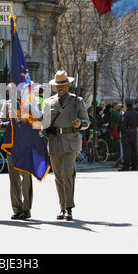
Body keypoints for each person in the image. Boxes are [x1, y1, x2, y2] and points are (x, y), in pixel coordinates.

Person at [43, 70, 89, 221]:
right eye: (58, 85)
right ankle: (62, 207)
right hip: (55, 142)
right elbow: (44, 123)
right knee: (58, 177)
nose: (60, 87)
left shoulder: (77, 101)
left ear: (68, 85)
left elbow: (86, 122)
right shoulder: (48, 102)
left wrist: (80, 123)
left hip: (71, 141)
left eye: (63, 84)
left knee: (67, 173)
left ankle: (69, 208)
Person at [0, 84, 33, 220]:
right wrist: (12, 124)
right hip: (11, 146)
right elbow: (0, 125)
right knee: (14, 179)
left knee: (26, 178)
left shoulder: (29, 105)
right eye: (12, 89)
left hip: (25, 146)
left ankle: (27, 208)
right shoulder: (6, 105)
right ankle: (17, 208)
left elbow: (37, 124)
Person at [119, 99, 138, 171]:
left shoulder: (126, 114)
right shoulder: (136, 113)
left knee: (127, 150)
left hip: (127, 133)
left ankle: (126, 166)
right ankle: (134, 166)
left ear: (126, 106)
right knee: (134, 150)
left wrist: (123, 133)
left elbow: (123, 125)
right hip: (134, 132)